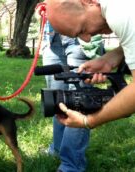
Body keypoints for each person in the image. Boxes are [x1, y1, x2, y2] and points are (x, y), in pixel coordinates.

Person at [45, 0, 135, 129]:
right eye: (78, 36)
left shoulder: (119, 14)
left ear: (89, 2)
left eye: (82, 29)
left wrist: (89, 121)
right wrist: (109, 59)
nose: (87, 39)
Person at [42, 20, 101, 172]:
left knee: (80, 102)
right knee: (58, 100)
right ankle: (57, 148)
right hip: (52, 33)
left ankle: (71, 166)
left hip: (81, 31)